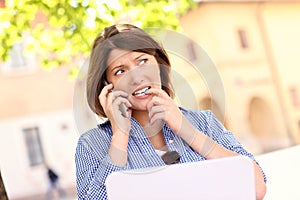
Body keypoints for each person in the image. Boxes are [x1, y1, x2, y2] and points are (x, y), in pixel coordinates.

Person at [75, 24, 267, 200]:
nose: (136, 76)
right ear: (108, 87)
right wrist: (120, 134)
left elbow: (257, 188)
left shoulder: (204, 122)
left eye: (142, 61)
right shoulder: (92, 144)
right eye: (120, 71)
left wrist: (185, 129)